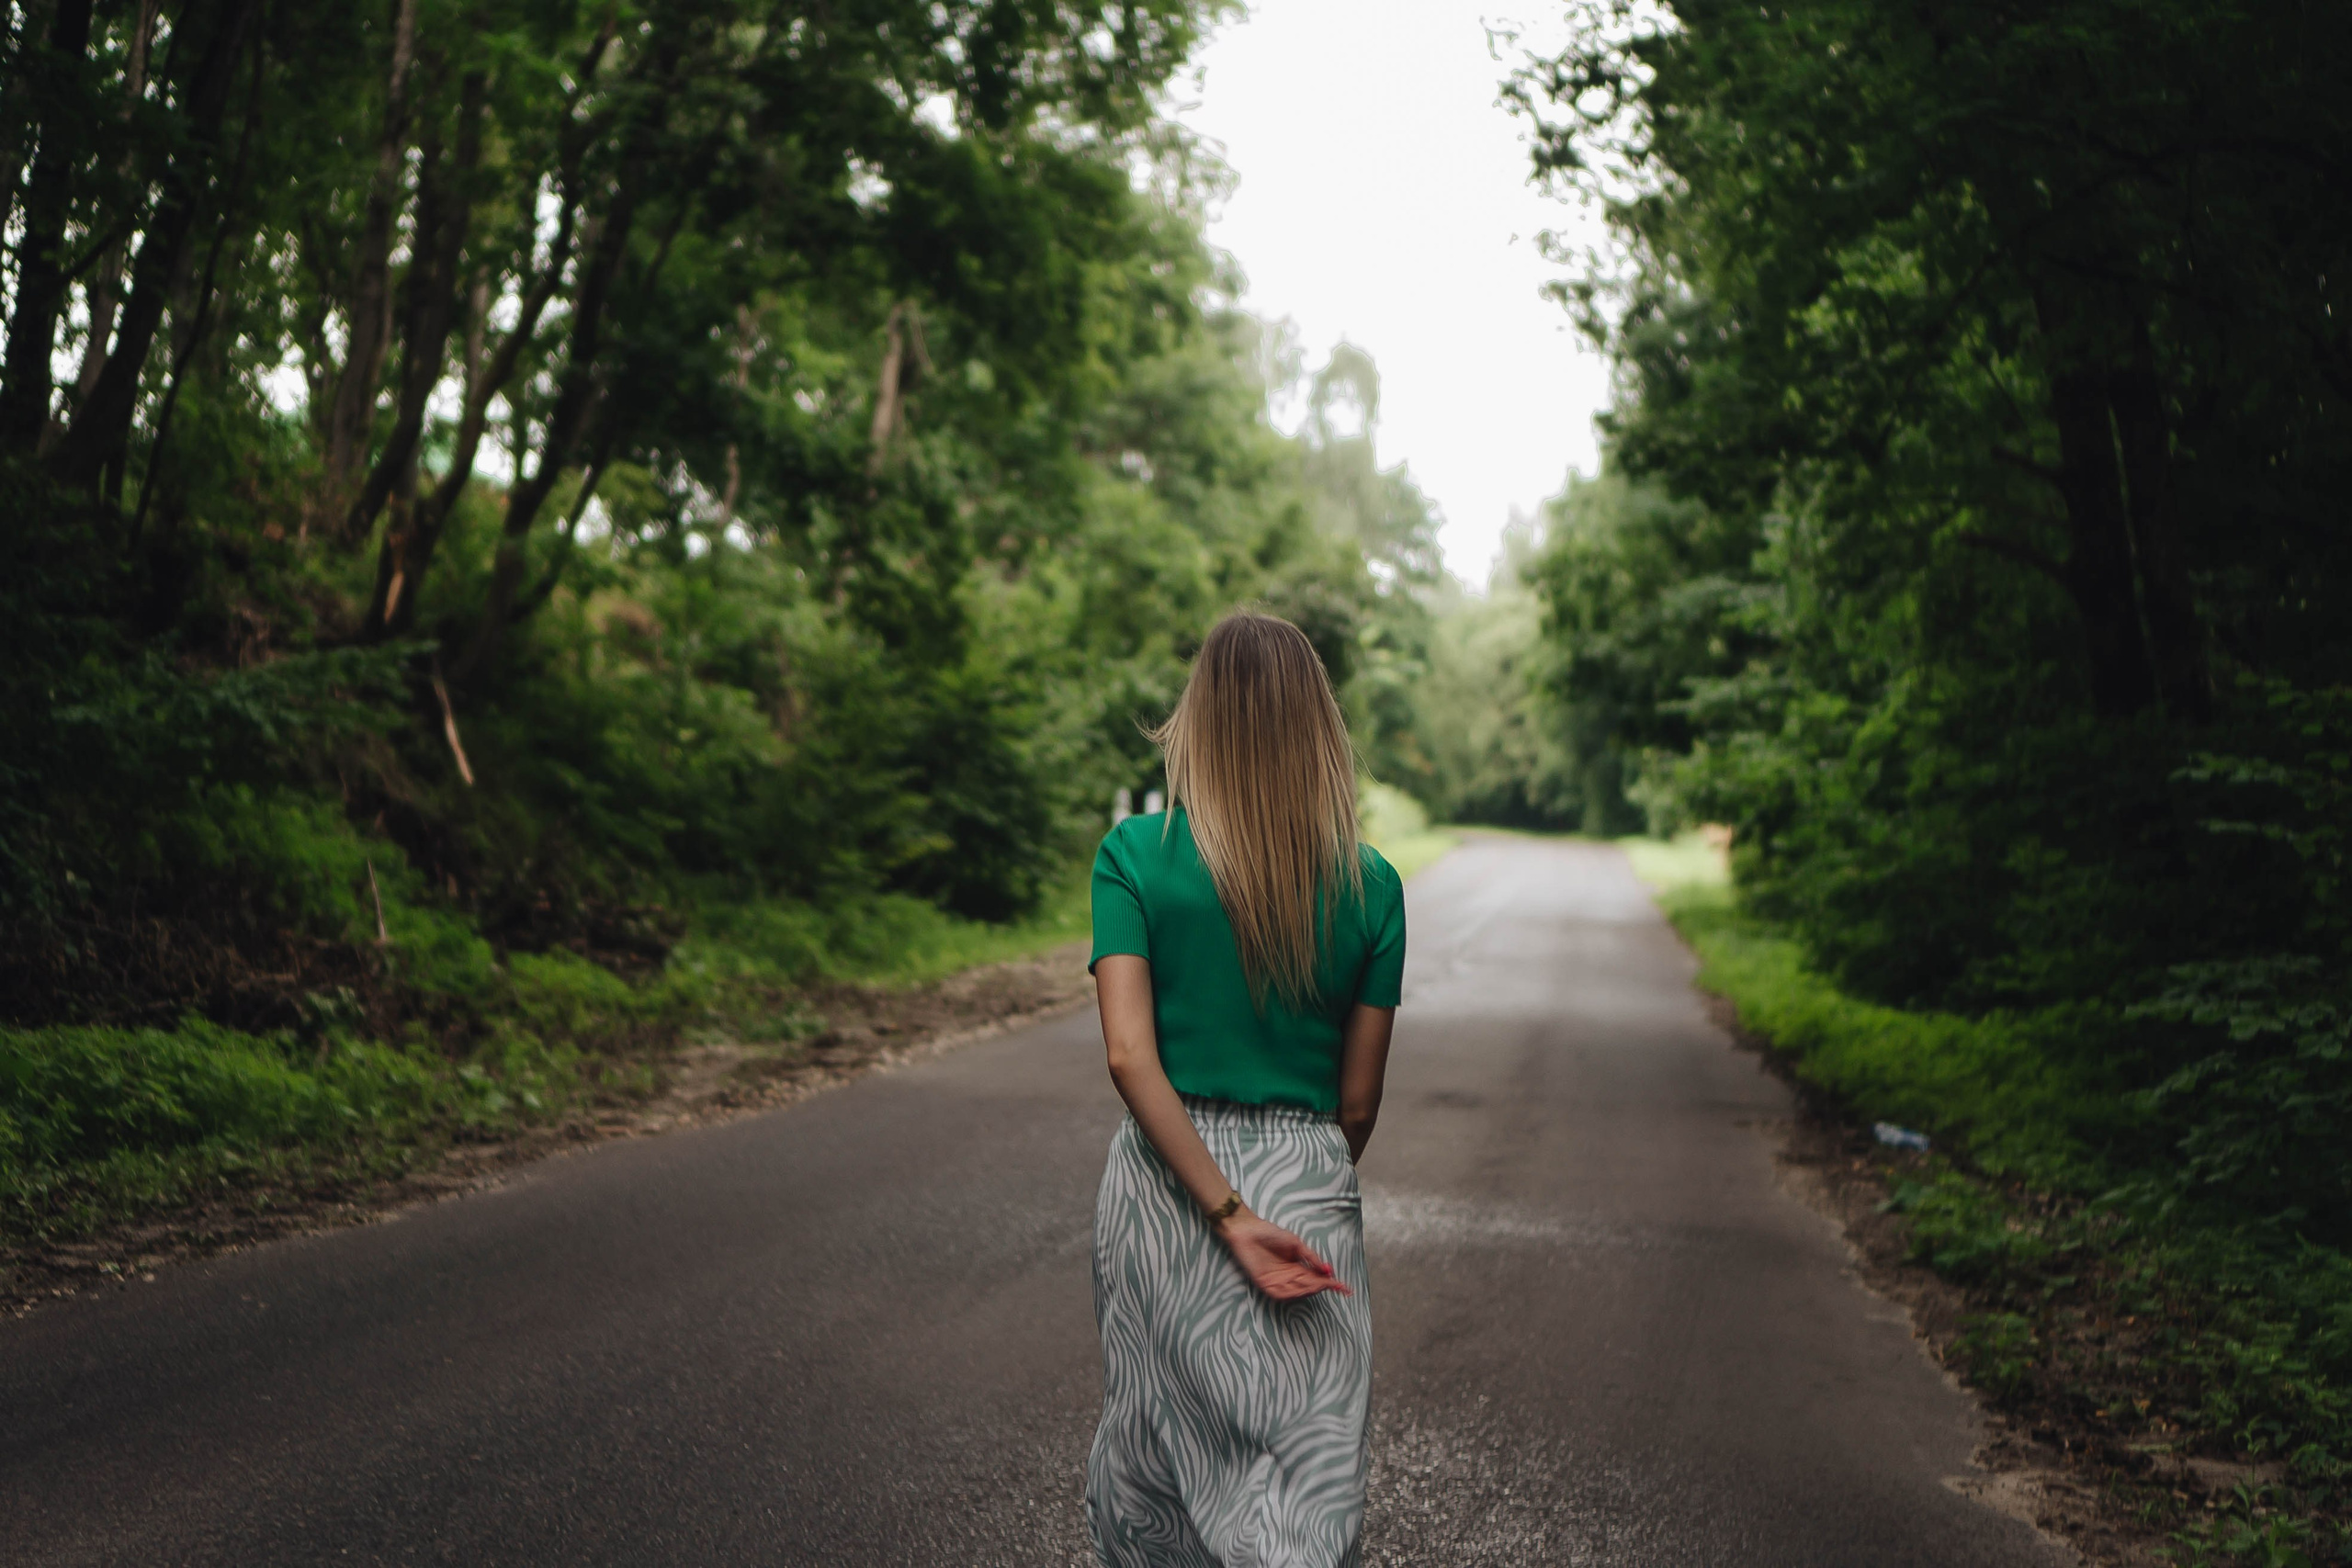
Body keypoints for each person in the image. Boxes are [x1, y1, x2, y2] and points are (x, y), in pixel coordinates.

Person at [1085, 610, 1407, 1567]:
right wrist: (1288, 1183)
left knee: (1155, 1448)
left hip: (1159, 1185)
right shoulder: (1373, 885)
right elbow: (1356, 1103)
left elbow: (1130, 1059)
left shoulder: (1132, 858)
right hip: (1306, 1176)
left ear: (1199, 718)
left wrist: (1221, 1205)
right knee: (1305, 1463)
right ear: (1318, 729)